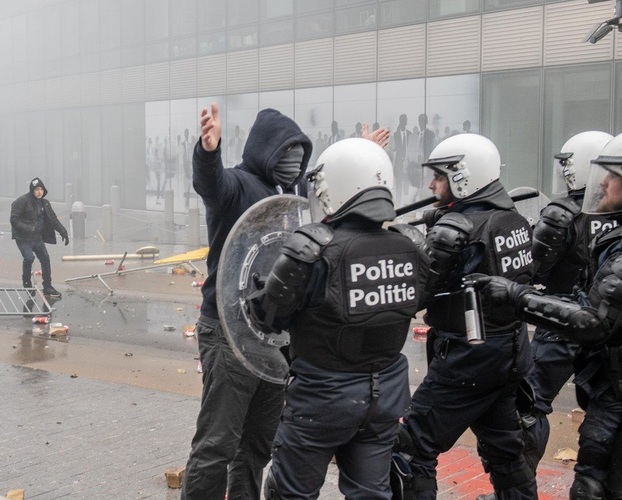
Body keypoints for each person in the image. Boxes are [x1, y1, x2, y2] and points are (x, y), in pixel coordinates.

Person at [472, 127, 622, 499]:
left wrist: (515, 295)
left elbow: (592, 321)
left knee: (592, 486)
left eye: (615, 177)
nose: (605, 185)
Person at [250, 138, 431, 499]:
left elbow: (269, 317)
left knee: (290, 494)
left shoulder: (313, 251)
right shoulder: (411, 246)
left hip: (323, 398)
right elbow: (417, 301)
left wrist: (263, 290)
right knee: (371, 493)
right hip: (385, 396)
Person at [181, 103, 314, 500]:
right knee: (216, 445)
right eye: (286, 152)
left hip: (273, 342)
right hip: (227, 333)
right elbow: (211, 183)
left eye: (300, 155)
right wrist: (208, 151)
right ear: (265, 151)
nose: (294, 162)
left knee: (257, 446)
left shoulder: (293, 196)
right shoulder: (238, 185)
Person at [398, 133, 538, 499]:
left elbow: (413, 293)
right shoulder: (513, 220)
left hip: (465, 361)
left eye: (439, 176)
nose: (431, 184)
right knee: (507, 453)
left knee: (410, 449)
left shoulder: (455, 229)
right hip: (510, 352)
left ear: (463, 176)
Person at [520, 131, 614, 471]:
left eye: (569, 163)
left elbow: (532, 269)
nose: (565, 171)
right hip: (607, 324)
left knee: (530, 404)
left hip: (558, 321)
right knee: (608, 412)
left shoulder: (561, 213)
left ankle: (518, 488)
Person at [9, 177, 68, 298]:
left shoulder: (44, 203)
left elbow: (53, 219)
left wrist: (63, 231)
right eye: (36, 189)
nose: (39, 192)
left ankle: (47, 287)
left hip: (37, 237)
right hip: (23, 237)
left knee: (45, 259)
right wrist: (27, 228)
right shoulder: (22, 201)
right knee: (29, 258)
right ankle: (27, 284)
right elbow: (14, 219)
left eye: (41, 189)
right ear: (32, 190)